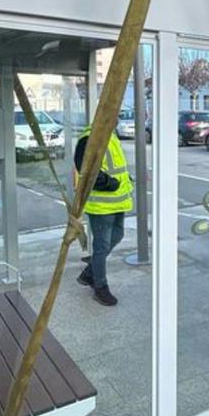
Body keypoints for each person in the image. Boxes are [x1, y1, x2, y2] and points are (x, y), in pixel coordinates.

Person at [74, 124, 134, 307]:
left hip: (117, 200)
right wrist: (110, 184)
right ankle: (100, 287)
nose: (116, 119)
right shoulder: (90, 137)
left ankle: (89, 273)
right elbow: (86, 169)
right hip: (102, 204)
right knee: (101, 246)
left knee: (118, 235)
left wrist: (125, 180)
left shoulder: (109, 133)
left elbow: (114, 165)